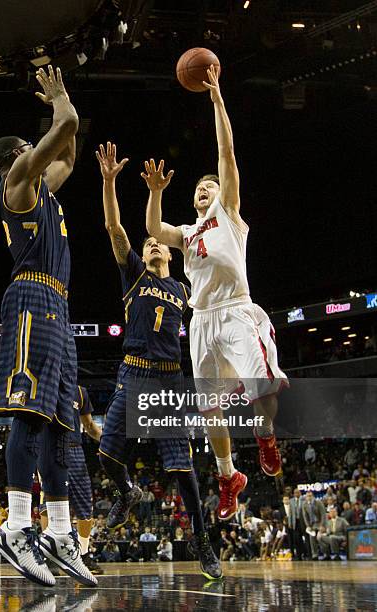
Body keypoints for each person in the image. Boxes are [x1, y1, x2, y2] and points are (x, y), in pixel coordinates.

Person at [144, 64, 287, 522]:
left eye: (209, 186)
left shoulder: (228, 212)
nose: (204, 190)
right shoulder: (187, 232)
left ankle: (265, 435)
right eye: (199, 189)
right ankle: (228, 477)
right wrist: (155, 191)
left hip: (235, 311)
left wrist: (217, 98)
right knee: (210, 411)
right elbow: (152, 228)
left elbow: (226, 151)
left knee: (260, 385)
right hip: (201, 321)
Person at [0, 65, 95, 588]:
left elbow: (70, 150)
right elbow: (67, 126)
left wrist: (65, 108)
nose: (42, 150)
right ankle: (14, 526)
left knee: (61, 425)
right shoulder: (18, 186)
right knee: (30, 413)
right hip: (31, 297)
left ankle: (58, 531)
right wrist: (60, 99)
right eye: (33, 146)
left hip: (59, 306)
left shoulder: (46, 190)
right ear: (18, 156)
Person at [95, 141, 221, 580]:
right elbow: (115, 228)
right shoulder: (133, 274)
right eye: (148, 242)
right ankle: (126, 491)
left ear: (170, 254)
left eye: (157, 244)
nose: (151, 245)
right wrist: (110, 183)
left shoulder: (186, 291)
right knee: (107, 456)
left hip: (168, 380)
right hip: (132, 374)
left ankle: (203, 540)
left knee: (183, 471)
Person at [40, 385, 104, 574]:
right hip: (48, 447)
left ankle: (83, 555)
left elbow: (90, 426)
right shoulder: (45, 386)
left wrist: (109, 444)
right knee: (47, 504)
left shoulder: (80, 392)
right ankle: (49, 555)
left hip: (75, 449)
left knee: (85, 505)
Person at [302, 491, 326, 560]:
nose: (309, 497)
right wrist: (308, 526)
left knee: (320, 538)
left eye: (310, 496)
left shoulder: (318, 503)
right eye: (307, 496)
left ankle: (325, 553)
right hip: (312, 524)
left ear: (313, 496)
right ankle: (315, 554)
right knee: (312, 538)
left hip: (320, 522)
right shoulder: (305, 504)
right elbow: (305, 516)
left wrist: (322, 525)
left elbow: (323, 514)